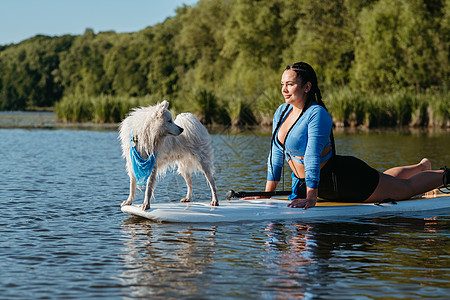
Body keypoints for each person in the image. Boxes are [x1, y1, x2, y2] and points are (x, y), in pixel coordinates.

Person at [242, 62, 449, 209]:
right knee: (385, 181)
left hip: (342, 179)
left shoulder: (317, 114)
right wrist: (267, 195)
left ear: (307, 87)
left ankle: (444, 175)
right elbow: (275, 155)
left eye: (290, 84)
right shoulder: (282, 112)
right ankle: (422, 166)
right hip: (315, 184)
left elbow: (313, 156)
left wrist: (311, 198)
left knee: (406, 189)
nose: (284, 90)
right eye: (282, 85)